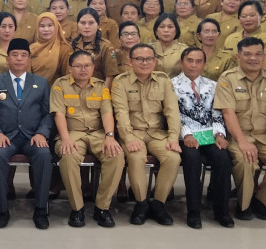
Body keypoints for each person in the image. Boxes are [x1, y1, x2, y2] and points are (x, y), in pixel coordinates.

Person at [214, 37, 266, 221]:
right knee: (245, 160)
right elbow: (228, 113)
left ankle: (263, 202)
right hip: (237, 136)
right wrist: (242, 142)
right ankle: (244, 205)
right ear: (238, 56)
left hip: (265, 136)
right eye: (248, 54)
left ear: (264, 57)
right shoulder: (227, 79)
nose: (253, 58)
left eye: (258, 54)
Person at [111, 44, 182, 226]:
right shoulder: (121, 81)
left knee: (173, 158)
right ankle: (141, 203)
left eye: (149, 59)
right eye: (139, 59)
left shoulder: (164, 80)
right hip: (133, 132)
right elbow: (121, 113)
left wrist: (174, 138)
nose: (144, 63)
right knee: (135, 157)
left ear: (155, 61)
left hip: (158, 134)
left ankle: (158, 204)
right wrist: (128, 138)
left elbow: (172, 112)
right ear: (130, 61)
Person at [0, 38, 54, 229]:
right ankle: (2, 210)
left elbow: (48, 113)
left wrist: (42, 133)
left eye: (23, 55)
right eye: (14, 55)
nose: (19, 59)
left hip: (32, 137)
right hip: (6, 137)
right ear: (7, 59)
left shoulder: (41, 83)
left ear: (29, 60)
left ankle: (41, 209)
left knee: (44, 155)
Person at [52, 51, 124, 228]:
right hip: (72, 133)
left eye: (87, 66)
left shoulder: (101, 86)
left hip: (98, 133)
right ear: (70, 68)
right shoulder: (60, 85)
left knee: (116, 155)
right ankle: (77, 209)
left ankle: (102, 207)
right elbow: (59, 114)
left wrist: (110, 136)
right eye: (78, 66)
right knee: (68, 157)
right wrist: (65, 139)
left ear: (93, 67)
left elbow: (107, 112)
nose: (83, 70)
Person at [172, 47, 233, 228]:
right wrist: (187, 134)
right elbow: (173, 115)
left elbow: (218, 113)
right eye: (190, 60)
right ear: (182, 62)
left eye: (199, 61)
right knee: (192, 158)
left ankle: (222, 210)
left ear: (204, 64)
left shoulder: (213, 85)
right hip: (185, 136)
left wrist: (220, 134)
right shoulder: (171, 85)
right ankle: (193, 211)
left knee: (223, 157)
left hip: (210, 135)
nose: (194, 65)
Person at [222, 0, 266, 71]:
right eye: (244, 16)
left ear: (261, 17)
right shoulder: (230, 38)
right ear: (239, 19)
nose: (248, 19)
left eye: (252, 15)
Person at [30, 12, 73, 85]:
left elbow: (67, 77)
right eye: (42, 26)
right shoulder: (32, 48)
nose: (46, 29)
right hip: (34, 91)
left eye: (50, 25)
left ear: (56, 26)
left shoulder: (65, 50)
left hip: (56, 92)